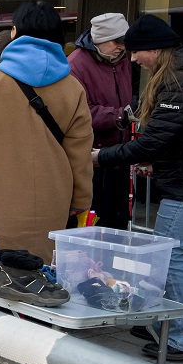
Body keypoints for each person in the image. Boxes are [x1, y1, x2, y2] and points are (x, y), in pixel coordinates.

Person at [0, 0, 93, 263]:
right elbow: (79, 154)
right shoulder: (73, 88)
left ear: (14, 33)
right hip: (51, 203)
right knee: (39, 281)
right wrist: (80, 200)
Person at [94, 14, 183, 361]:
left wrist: (101, 156)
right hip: (177, 178)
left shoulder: (177, 80)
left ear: (155, 48)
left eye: (136, 52)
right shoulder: (176, 72)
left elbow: (155, 140)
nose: (132, 59)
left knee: (172, 254)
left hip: (182, 189)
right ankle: (160, 322)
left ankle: (179, 338)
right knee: (174, 254)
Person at [69, 13, 132, 229]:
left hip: (119, 156)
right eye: (117, 41)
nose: (122, 47)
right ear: (100, 39)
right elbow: (78, 112)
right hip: (91, 159)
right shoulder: (76, 63)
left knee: (117, 224)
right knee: (93, 225)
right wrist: (119, 116)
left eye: (125, 41)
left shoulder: (122, 61)